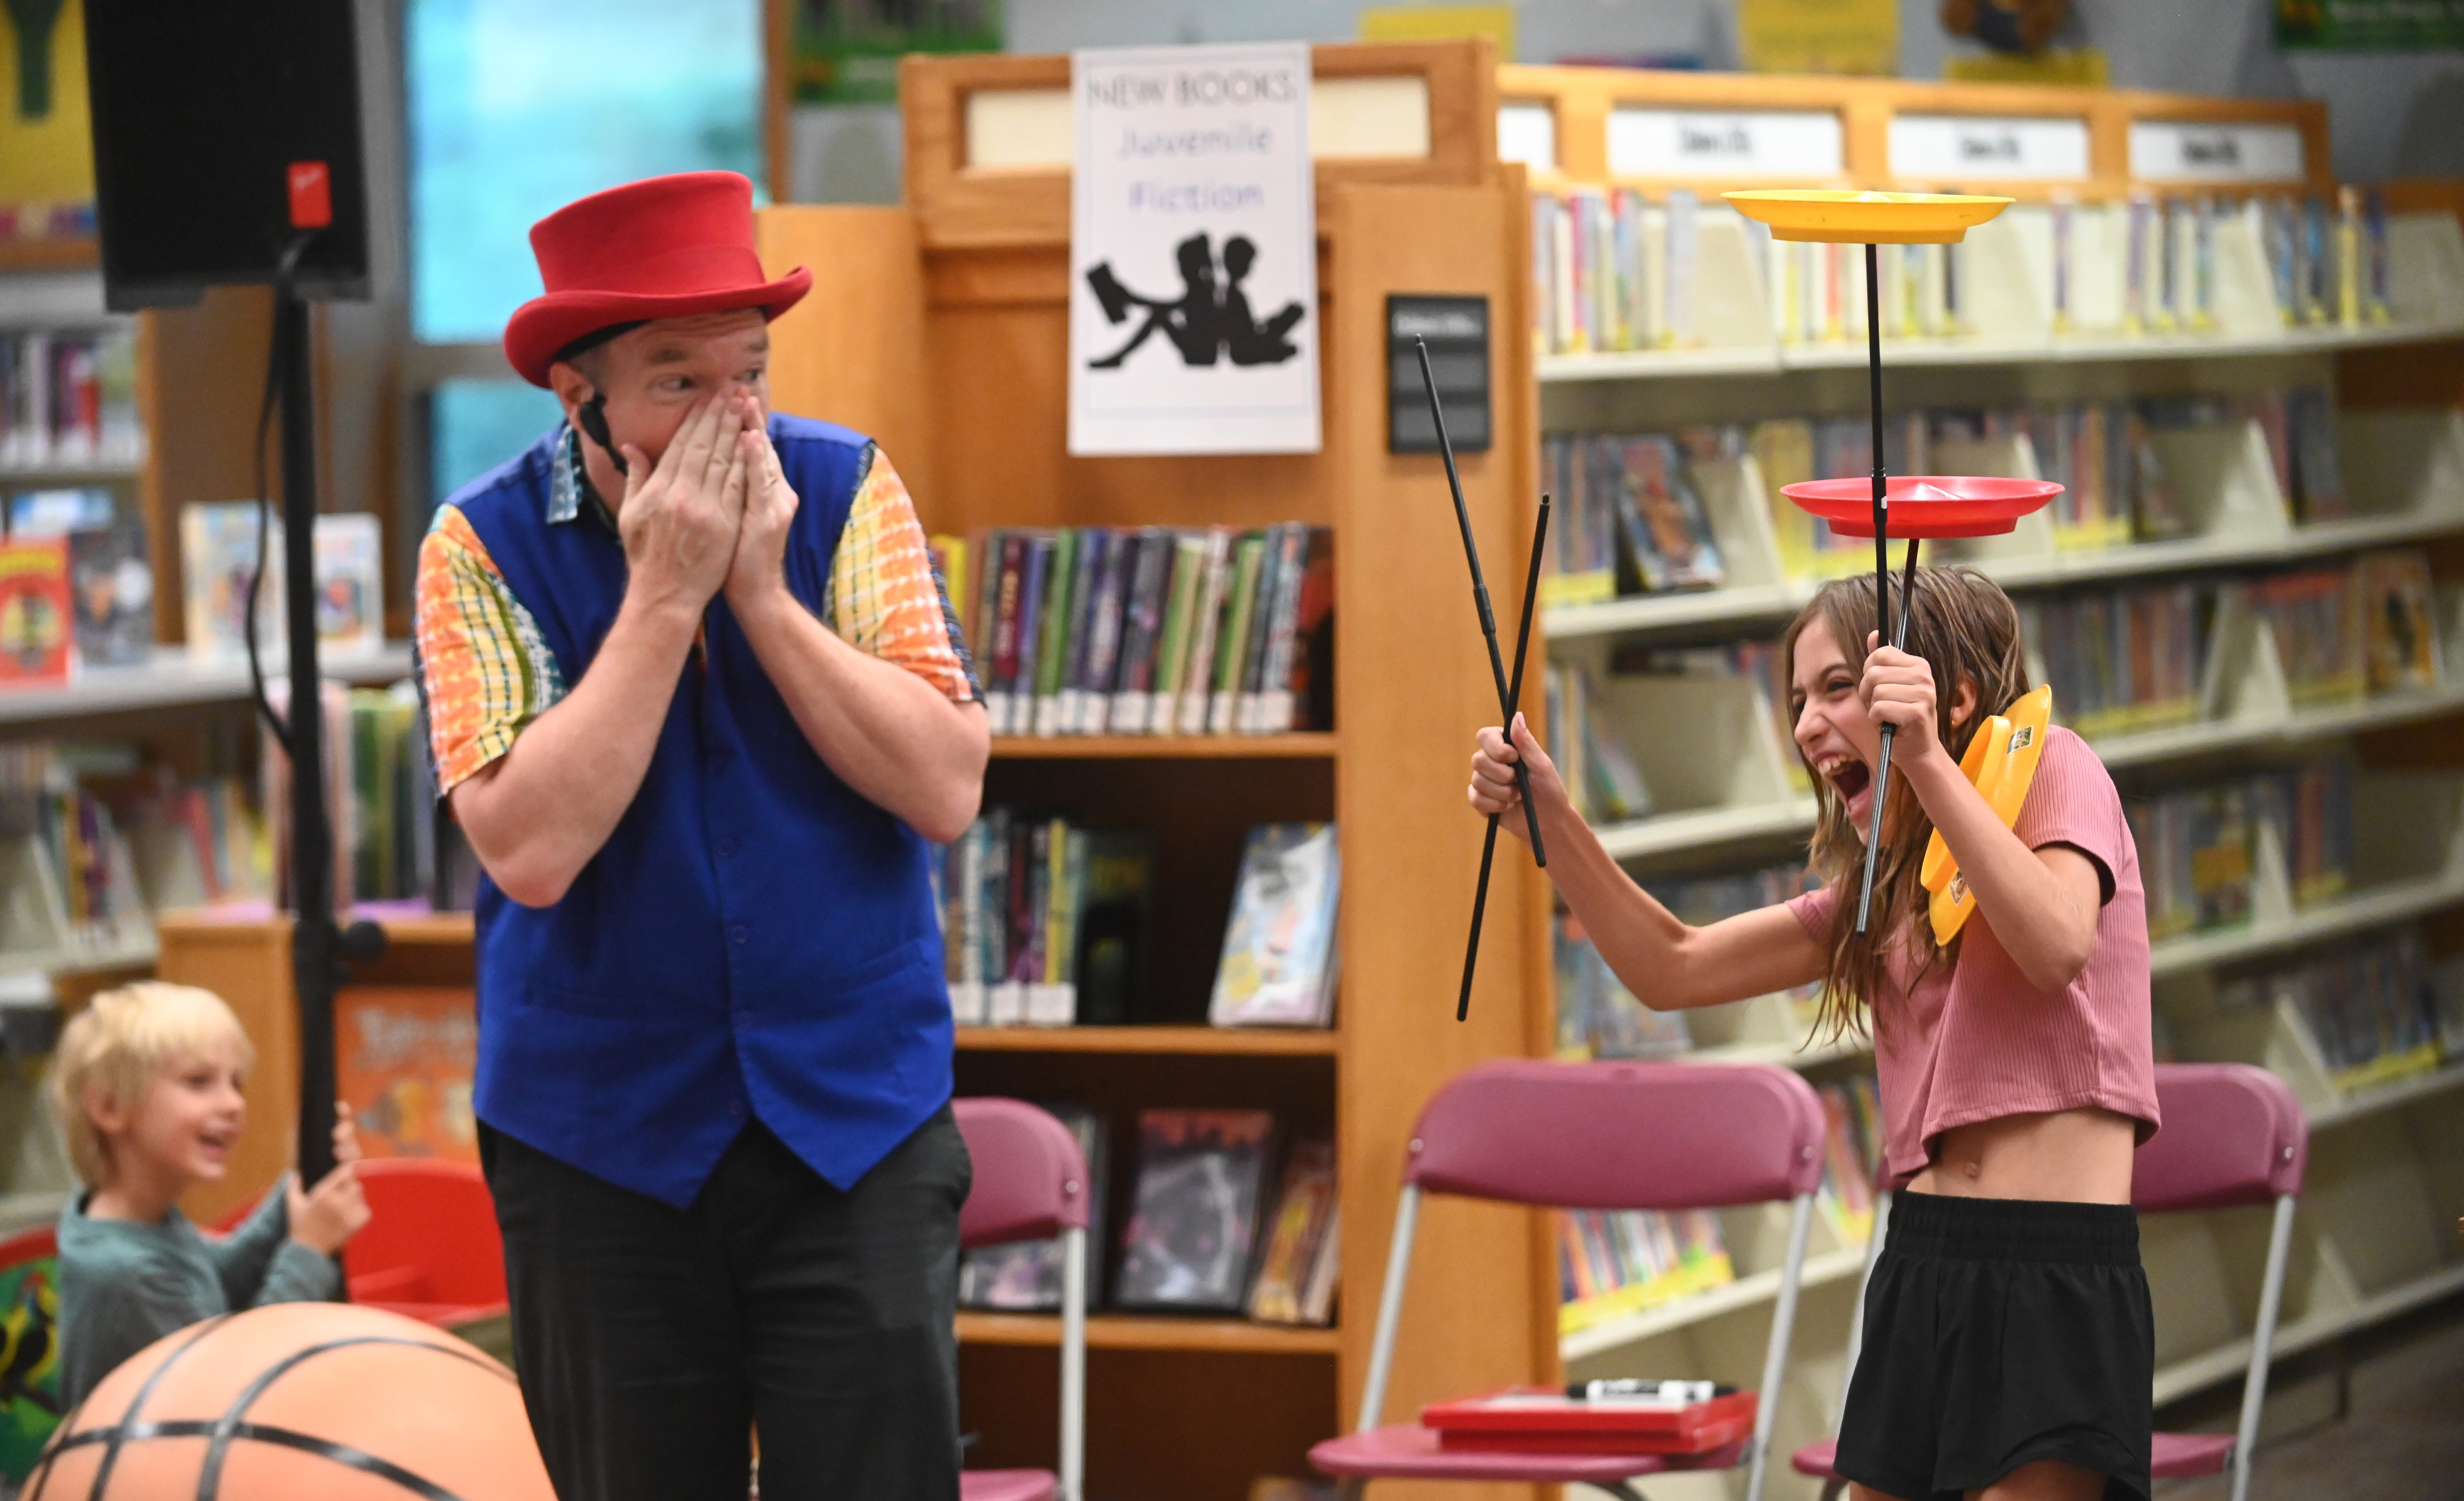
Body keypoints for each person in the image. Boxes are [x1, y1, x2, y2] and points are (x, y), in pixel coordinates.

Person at [413, 170, 988, 1500]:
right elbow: (528, 847)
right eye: (680, 384)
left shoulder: (848, 488)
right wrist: (663, 599)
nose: (736, 421)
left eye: (752, 373)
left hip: (854, 1117)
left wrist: (766, 602)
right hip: (599, 1141)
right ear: (580, 399)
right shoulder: (477, 545)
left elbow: (945, 784)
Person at [1470, 566, 2158, 1501]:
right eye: (1798, 700)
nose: (1804, 725)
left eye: (1839, 688)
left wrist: (1924, 762)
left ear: (1946, 693)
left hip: (2051, 1273)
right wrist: (1547, 820)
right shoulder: (1882, 890)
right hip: (1922, 1257)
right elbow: (1675, 965)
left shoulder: (2058, 767)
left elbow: (2054, 943)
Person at [49, 982, 367, 1408]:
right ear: (109, 1107)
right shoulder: (124, 1273)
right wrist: (309, 1251)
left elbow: (217, 1284)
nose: (234, 1103)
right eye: (199, 1082)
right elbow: (232, 1384)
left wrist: (304, 1178)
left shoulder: (143, 1223)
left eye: (236, 1083)